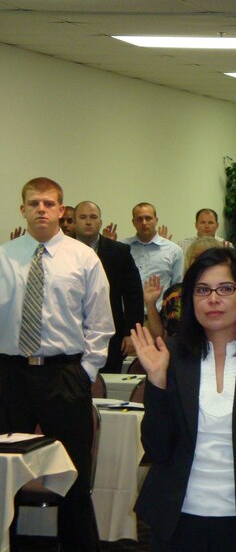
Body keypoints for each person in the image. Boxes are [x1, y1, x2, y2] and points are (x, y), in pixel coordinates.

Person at [130, 247, 236, 552]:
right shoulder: (171, 356)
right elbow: (157, 449)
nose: (213, 299)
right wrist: (157, 384)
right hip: (178, 520)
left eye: (225, 289)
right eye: (202, 290)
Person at [0, 177, 113, 552]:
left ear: (62, 210)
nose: (42, 209)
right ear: (23, 210)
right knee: (3, 476)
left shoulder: (83, 258)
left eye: (49, 203)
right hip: (10, 376)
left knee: (72, 479)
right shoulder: (4, 257)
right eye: (34, 203)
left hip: (64, 374)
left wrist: (84, 373)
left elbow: (100, 324)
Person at [73, 200, 144, 373]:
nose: (88, 222)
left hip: (110, 333)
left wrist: (131, 332)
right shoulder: (61, 251)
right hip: (71, 332)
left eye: (93, 217)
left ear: (100, 222)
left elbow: (133, 295)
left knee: (106, 382)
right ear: (74, 222)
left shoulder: (119, 252)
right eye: (82, 217)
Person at [143, 236, 225, 340]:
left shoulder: (226, 293)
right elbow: (160, 336)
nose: (201, 262)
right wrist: (150, 304)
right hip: (179, 353)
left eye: (207, 257)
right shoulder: (174, 294)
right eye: (196, 257)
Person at [122, 202, 184, 312]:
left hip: (158, 316)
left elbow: (177, 288)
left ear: (156, 220)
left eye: (148, 218)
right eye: (139, 219)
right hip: (126, 315)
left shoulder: (173, 251)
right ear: (133, 222)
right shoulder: (122, 248)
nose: (144, 223)